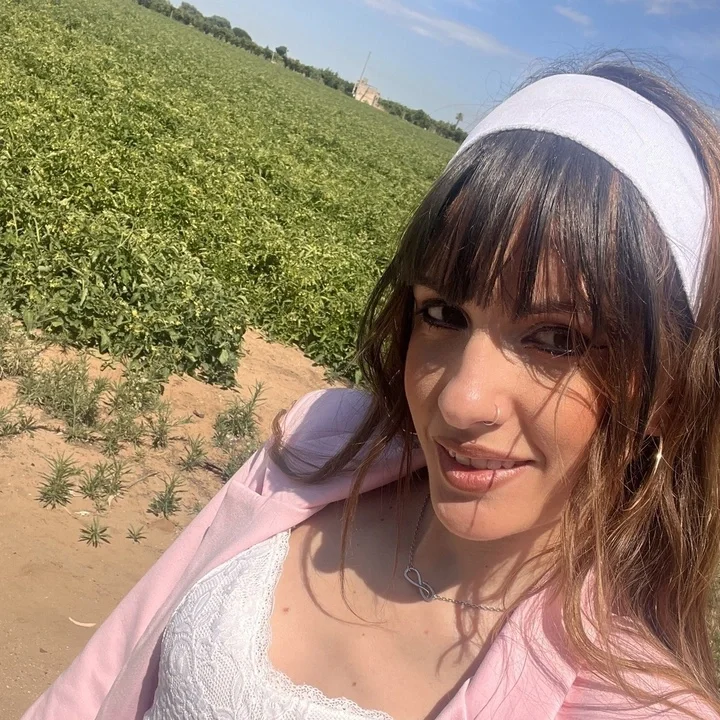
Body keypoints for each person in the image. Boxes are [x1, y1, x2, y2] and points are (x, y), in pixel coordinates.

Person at [22, 55, 720, 720]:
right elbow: (100, 678)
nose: (460, 402)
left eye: (558, 338)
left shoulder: (637, 706)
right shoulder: (319, 445)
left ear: (663, 392)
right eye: (442, 314)